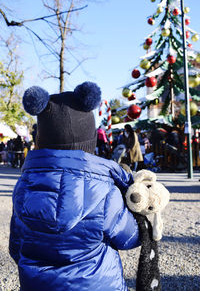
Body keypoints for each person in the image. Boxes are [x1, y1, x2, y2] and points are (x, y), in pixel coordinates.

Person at [9, 82, 140, 291]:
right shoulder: (105, 189)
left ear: (40, 140)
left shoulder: (24, 186)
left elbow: (16, 246)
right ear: (89, 142)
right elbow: (130, 238)